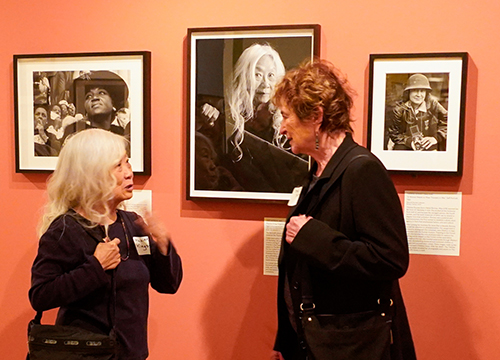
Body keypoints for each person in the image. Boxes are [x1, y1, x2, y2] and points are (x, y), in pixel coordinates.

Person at [271, 60, 416, 360]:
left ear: (316, 116)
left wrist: (316, 239)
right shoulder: (316, 172)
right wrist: (286, 339)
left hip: (351, 346)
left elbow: (391, 259)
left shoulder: (362, 170)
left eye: (286, 116)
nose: (282, 127)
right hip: (316, 341)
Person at [29, 129, 183, 360]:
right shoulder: (65, 229)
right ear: (91, 174)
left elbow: (168, 285)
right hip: (84, 354)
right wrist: (95, 266)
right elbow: (41, 296)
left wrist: (164, 247)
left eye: (127, 163)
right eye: (118, 166)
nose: (129, 173)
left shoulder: (132, 223)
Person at [198, 43, 308, 193]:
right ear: (244, 76)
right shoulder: (226, 114)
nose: (265, 84)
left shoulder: (286, 119)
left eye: (270, 76)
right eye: (258, 75)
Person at [388, 73, 448, 151]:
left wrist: (436, 137)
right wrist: (409, 142)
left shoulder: (433, 104)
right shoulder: (399, 110)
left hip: (429, 144)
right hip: (406, 145)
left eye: (422, 91)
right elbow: (394, 134)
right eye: (415, 91)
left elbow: (448, 121)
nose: (419, 95)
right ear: (408, 92)